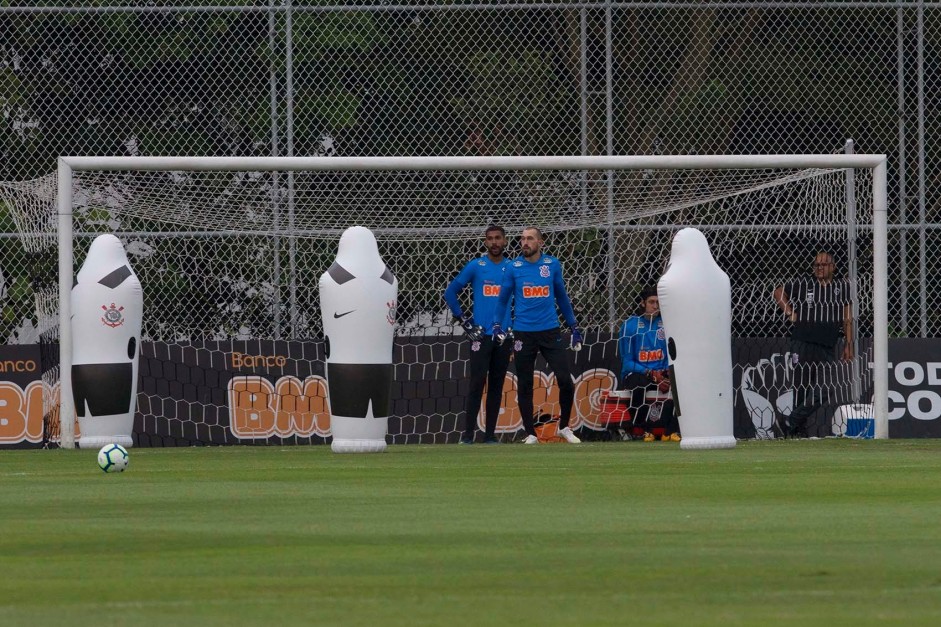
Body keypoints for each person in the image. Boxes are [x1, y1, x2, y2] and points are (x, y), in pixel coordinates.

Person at [491, 227, 583, 444]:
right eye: (522, 238)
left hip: (550, 331)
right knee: (524, 383)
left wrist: (574, 327)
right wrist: (497, 324)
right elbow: (503, 299)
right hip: (524, 332)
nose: (524, 242)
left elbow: (562, 297)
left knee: (565, 380)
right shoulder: (513, 267)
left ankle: (564, 427)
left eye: (529, 238)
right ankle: (531, 433)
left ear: (540, 242)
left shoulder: (552, 265)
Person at [772, 250, 854, 438]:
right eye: (816, 264)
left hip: (827, 345)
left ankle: (789, 422)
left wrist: (849, 344)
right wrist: (790, 313)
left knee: (826, 389)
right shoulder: (803, 283)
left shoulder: (842, 287)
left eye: (824, 264)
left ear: (833, 267)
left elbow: (847, 318)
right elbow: (778, 292)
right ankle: (796, 430)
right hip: (802, 341)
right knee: (801, 387)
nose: (819, 267)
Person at [444, 225, 513, 444]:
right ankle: (467, 436)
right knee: (476, 383)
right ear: (485, 242)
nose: (494, 242)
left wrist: (516, 324)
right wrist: (465, 322)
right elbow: (450, 292)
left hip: (503, 336)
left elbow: (522, 298)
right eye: (490, 239)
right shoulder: (476, 266)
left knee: (497, 385)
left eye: (498, 238)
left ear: (505, 241)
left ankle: (490, 435)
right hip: (480, 336)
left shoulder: (512, 268)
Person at [617, 286, 680, 442]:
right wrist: (651, 374)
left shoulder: (668, 324)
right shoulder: (630, 325)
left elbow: (672, 355)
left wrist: (665, 374)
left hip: (661, 373)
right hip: (639, 375)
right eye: (651, 302)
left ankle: (670, 431)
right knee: (639, 384)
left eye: (658, 302)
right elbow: (627, 363)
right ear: (642, 303)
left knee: (681, 383)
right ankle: (641, 429)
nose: (655, 306)